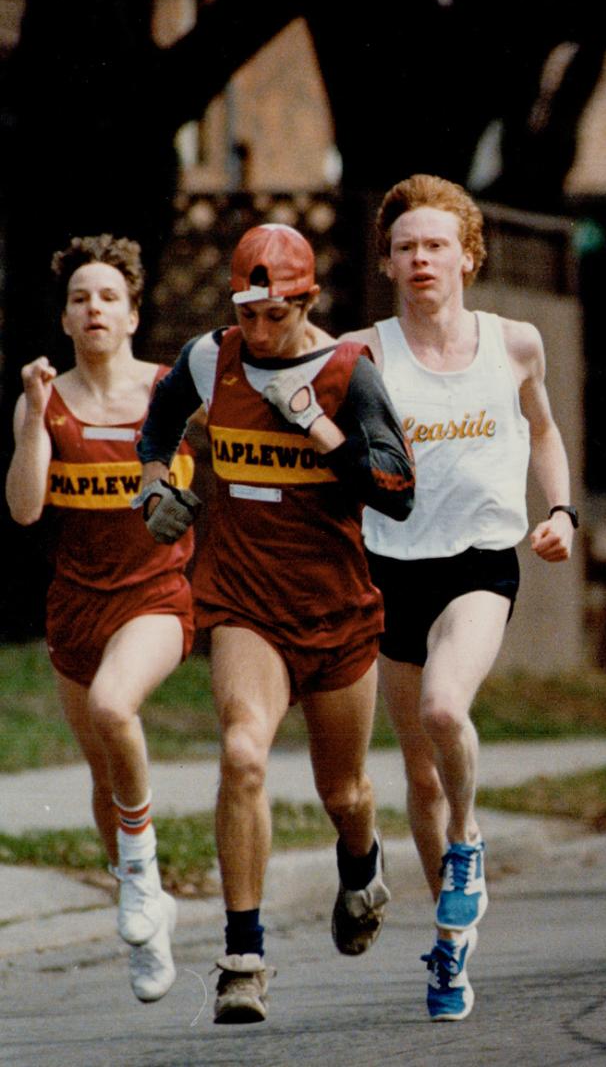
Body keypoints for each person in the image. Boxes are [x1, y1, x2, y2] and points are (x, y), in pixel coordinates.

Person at [136, 223, 416, 1022]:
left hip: (334, 614)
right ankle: (244, 956)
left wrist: (319, 429)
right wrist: (154, 487)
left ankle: (361, 863)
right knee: (242, 755)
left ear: (307, 301)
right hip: (243, 603)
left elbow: (398, 491)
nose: (258, 333)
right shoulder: (208, 358)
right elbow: (158, 424)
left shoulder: (346, 373)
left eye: (275, 316)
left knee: (345, 791)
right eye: (246, 314)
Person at [341, 175, 576, 1020]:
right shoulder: (361, 353)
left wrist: (560, 512)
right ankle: (449, 952)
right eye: (405, 246)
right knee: (419, 775)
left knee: (446, 710)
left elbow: (542, 430)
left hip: (481, 559)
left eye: (436, 244)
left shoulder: (515, 342)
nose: (420, 259)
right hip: (390, 565)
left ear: (468, 255)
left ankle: (469, 849)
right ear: (388, 262)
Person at [5, 235, 194, 1003]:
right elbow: (23, 510)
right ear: (65, 317)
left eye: (108, 297)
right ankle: (142, 909)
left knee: (118, 707)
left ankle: (144, 877)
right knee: (103, 769)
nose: (94, 309)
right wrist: (31, 424)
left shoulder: (173, 390)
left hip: (155, 596)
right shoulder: (43, 400)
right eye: (81, 298)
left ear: (133, 312)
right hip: (75, 604)